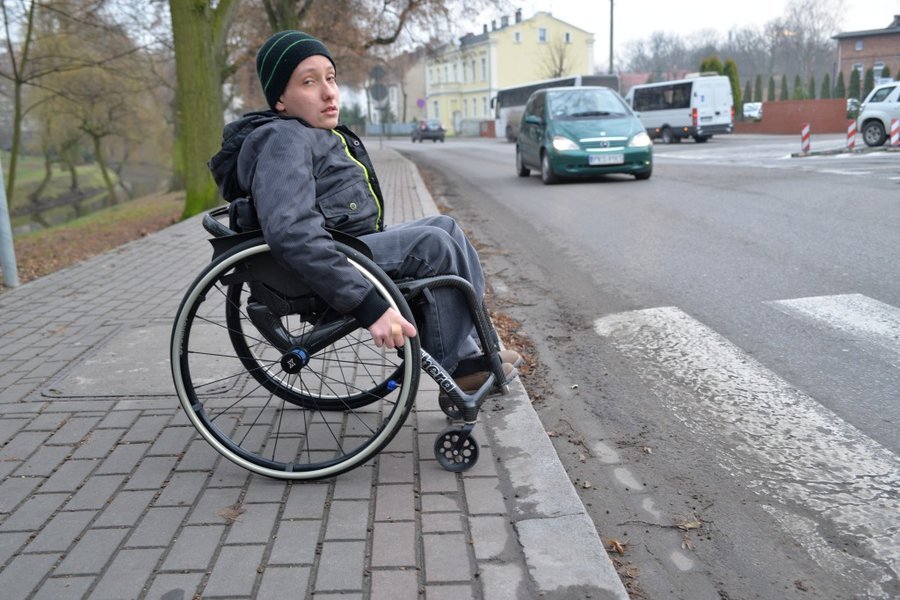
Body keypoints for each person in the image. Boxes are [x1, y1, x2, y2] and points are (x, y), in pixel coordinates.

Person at [208, 30, 519, 390]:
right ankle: (459, 368)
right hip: (325, 262)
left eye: (330, 78)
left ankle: (478, 347)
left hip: (351, 242)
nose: (329, 92)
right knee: (433, 246)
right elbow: (291, 231)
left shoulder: (310, 132)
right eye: (309, 82)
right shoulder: (284, 139)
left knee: (445, 226)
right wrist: (369, 306)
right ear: (280, 99)